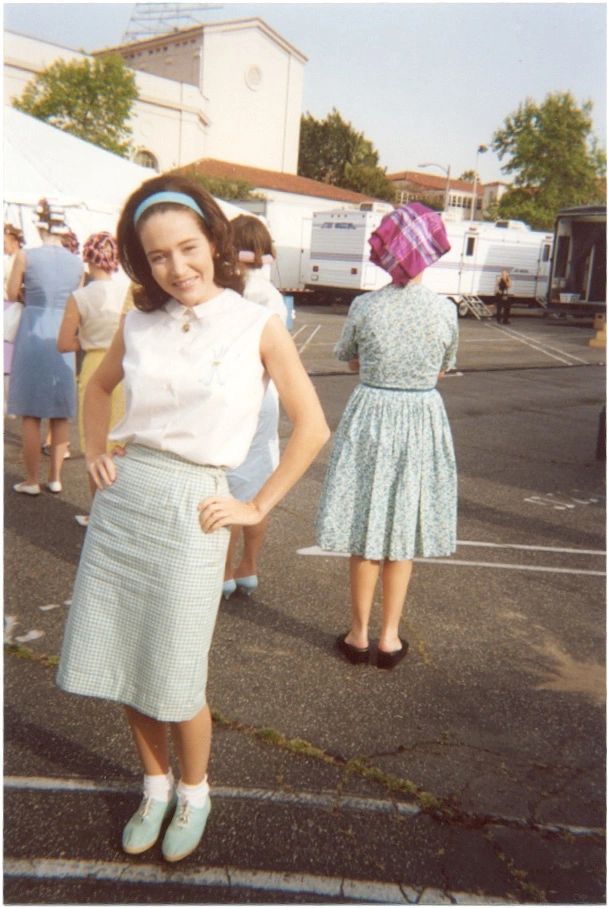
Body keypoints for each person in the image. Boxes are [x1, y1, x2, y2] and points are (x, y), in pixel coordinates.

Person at [56, 175, 329, 863]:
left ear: (215, 240)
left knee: (177, 674)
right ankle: (154, 784)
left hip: (195, 510)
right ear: (140, 262)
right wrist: (94, 451)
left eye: (188, 247)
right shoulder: (137, 323)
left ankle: (196, 790)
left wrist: (256, 505)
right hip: (126, 503)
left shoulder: (256, 323)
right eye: (158, 256)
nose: (177, 267)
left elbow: (312, 428)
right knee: (124, 661)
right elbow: (97, 387)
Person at [315, 202, 458, 670]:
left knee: (365, 529)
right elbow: (443, 367)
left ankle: (357, 637)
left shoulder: (364, 306)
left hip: (372, 415)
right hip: (420, 418)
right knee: (402, 532)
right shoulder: (444, 311)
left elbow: (347, 357)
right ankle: (390, 639)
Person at [222, 215, 287, 599]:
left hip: (234, 393)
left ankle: (225, 572)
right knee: (259, 485)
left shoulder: (229, 289)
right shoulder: (272, 293)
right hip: (267, 393)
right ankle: (249, 566)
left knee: (230, 487)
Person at [7, 200, 83, 494]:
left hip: (34, 327)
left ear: (39, 227)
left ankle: (31, 479)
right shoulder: (77, 262)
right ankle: (56, 478)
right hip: (64, 330)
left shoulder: (26, 256)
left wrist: (31, 296)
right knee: (60, 410)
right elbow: (77, 298)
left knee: (30, 411)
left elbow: (12, 292)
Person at [57, 231, 126, 514]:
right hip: (124, 366)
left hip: (95, 365)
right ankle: (121, 512)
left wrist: (86, 341)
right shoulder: (127, 292)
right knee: (120, 441)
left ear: (88, 258)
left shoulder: (80, 296)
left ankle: (97, 511)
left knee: (94, 441)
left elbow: (63, 343)